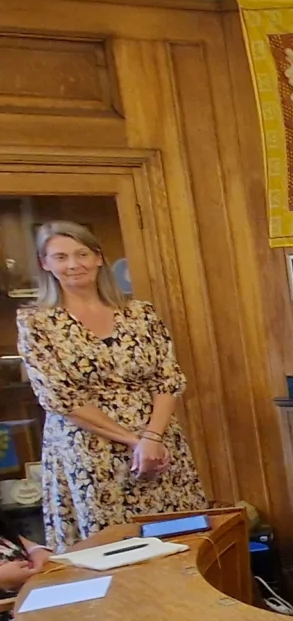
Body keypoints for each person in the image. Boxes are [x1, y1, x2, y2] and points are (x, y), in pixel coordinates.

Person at [19, 220, 208, 551]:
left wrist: (152, 437)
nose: (74, 264)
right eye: (61, 257)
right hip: (90, 451)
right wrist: (134, 442)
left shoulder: (141, 314)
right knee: (108, 552)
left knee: (177, 542)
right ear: (45, 264)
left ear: (98, 258)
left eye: (82, 254)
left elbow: (168, 378)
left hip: (159, 445)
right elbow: (61, 398)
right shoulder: (37, 323)